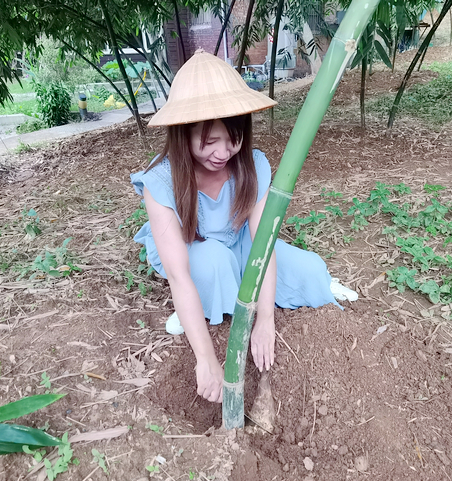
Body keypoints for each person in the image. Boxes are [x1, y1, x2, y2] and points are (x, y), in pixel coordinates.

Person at [130, 50, 357, 403]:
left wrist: (265, 319)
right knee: (214, 265)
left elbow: (261, 243)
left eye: (232, 138)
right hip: (194, 250)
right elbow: (178, 273)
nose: (223, 153)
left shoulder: (251, 164)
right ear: (182, 134)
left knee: (308, 269)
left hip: (238, 242)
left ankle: (296, 285)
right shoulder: (161, 181)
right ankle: (195, 310)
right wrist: (206, 359)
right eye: (209, 141)